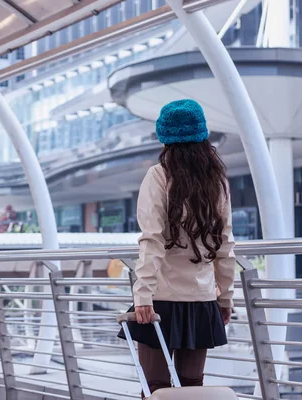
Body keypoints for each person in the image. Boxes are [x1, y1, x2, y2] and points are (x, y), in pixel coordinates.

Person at [117, 99, 236, 394]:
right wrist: (225, 297)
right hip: (202, 299)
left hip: (161, 299)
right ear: (202, 134)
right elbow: (225, 244)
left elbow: (152, 240)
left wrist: (142, 293)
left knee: (155, 390)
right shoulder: (216, 181)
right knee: (193, 388)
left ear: (164, 137)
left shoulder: (158, 176)